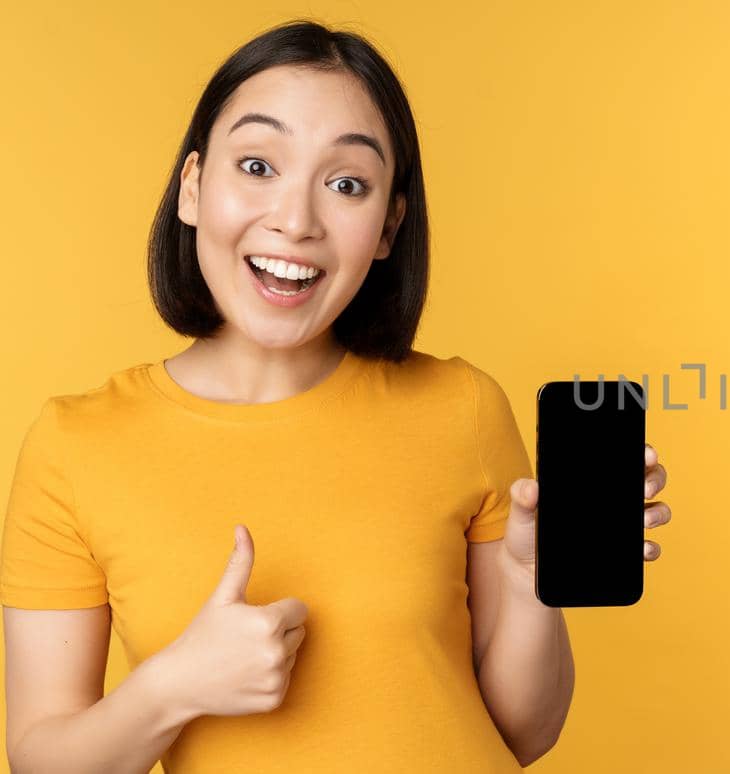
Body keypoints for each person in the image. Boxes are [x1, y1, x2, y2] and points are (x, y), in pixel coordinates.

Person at [0, 19, 672, 773]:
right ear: (192, 188)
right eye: (257, 166)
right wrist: (171, 690)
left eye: (346, 184)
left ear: (388, 226)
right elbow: (40, 759)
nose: (295, 220)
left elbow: (525, 734)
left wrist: (528, 584)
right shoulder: (77, 446)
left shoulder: (464, 407)